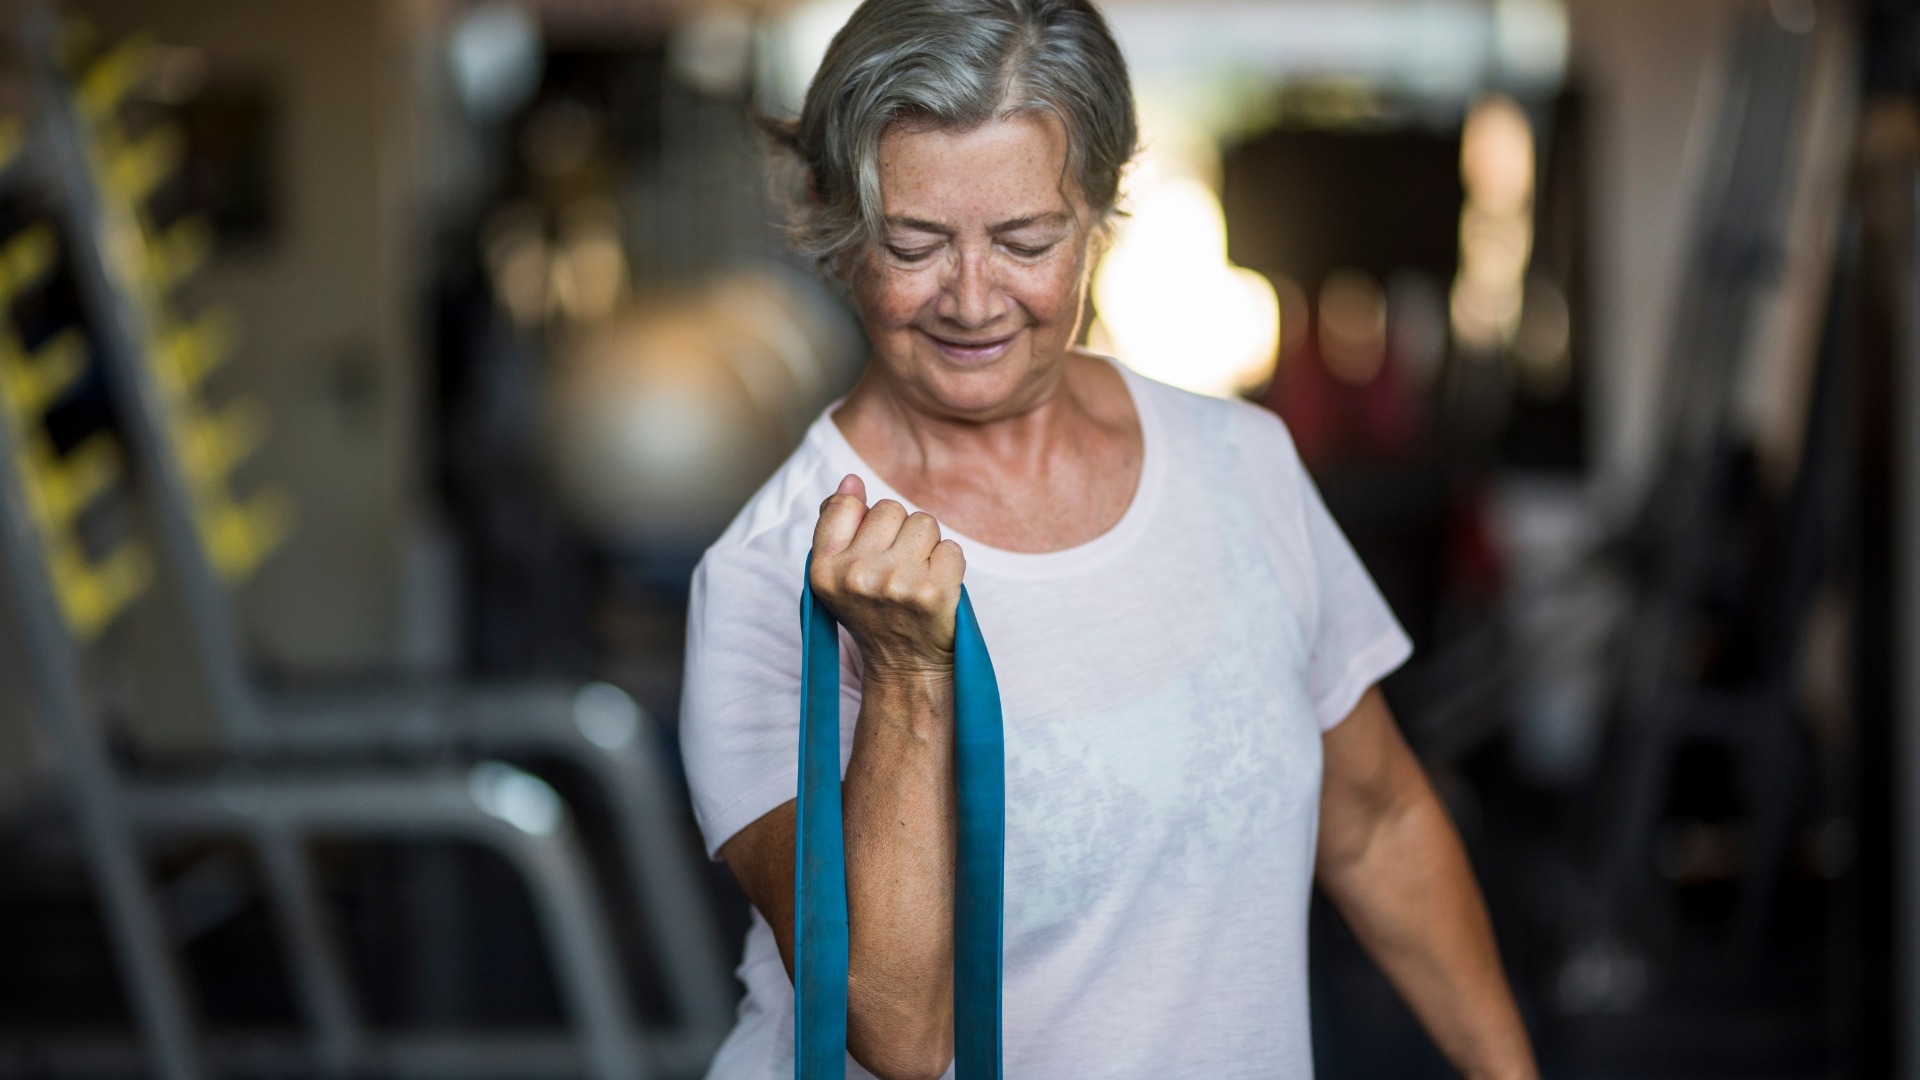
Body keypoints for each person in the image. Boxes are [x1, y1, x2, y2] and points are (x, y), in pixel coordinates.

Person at [679, 1, 1539, 1077]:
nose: (973, 298)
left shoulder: (1241, 463)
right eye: (916, 243)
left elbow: (1375, 820)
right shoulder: (770, 575)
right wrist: (904, 672)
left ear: (1099, 210)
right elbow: (896, 1030)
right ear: (840, 227)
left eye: (1026, 240)